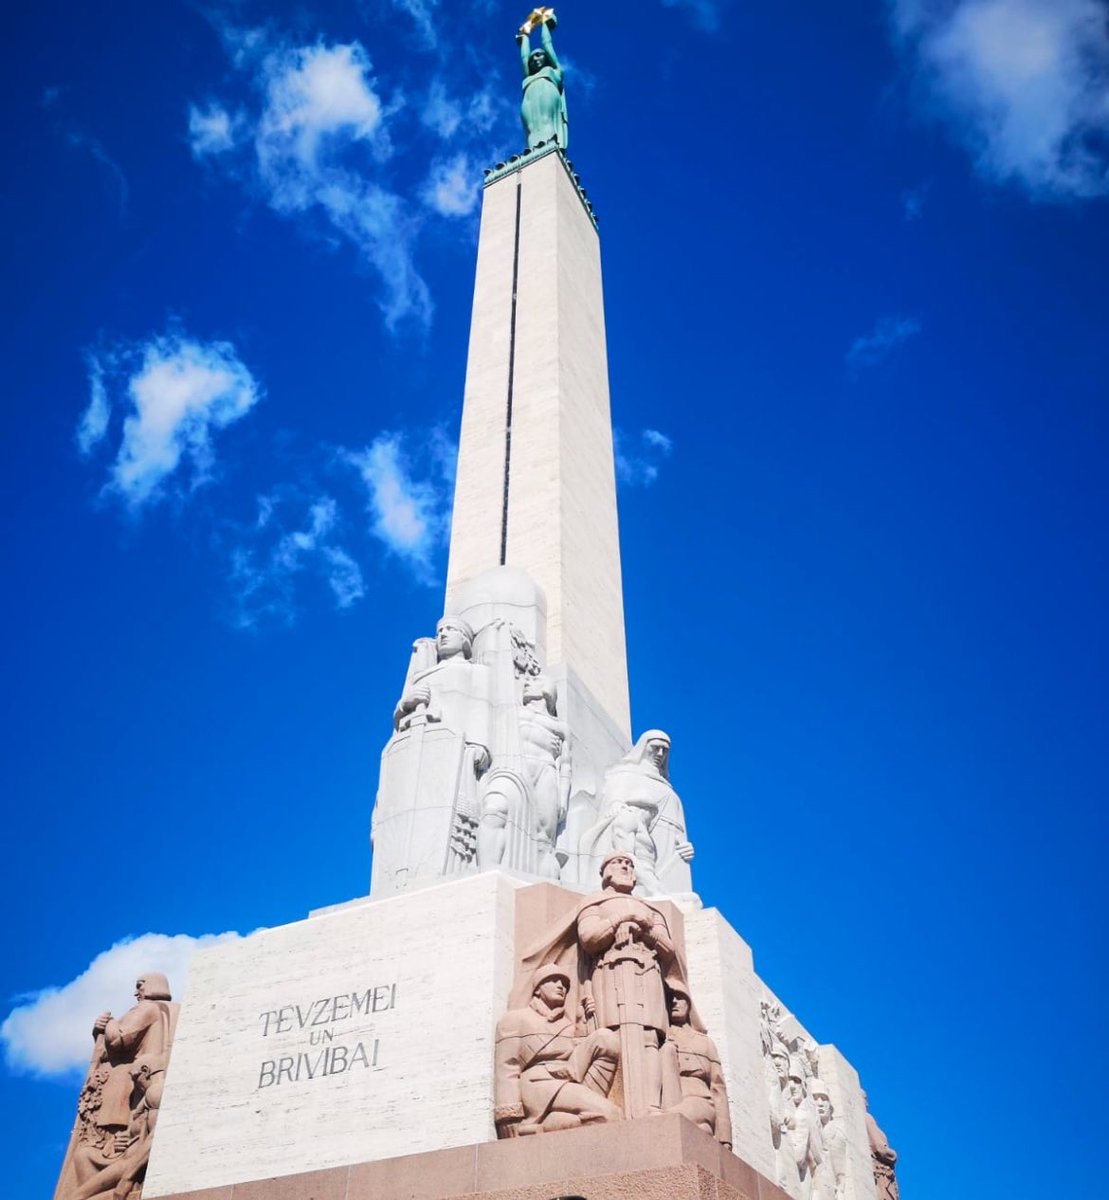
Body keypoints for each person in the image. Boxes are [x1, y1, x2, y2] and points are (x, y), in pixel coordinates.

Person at [57, 974, 178, 1200]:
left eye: (140, 986)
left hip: (124, 1108)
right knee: (84, 1157)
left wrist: (108, 1024)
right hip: (126, 1146)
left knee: (83, 1169)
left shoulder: (146, 1009)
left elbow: (119, 1040)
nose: (136, 993)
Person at [494, 963, 621, 1137]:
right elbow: (507, 1066)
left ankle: (543, 1127)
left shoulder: (568, 1025)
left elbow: (584, 1052)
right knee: (610, 1115)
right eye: (553, 980)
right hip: (537, 1084)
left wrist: (585, 1022)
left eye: (564, 984)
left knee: (605, 1037)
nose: (560, 986)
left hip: (566, 1081)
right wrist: (508, 1116)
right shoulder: (515, 1019)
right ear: (538, 989)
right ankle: (539, 1124)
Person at [579, 731, 694, 897]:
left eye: (665, 750)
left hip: (660, 867)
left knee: (692, 900)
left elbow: (675, 834)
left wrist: (683, 848)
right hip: (641, 885)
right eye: (655, 748)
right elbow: (628, 858)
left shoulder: (666, 788)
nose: (660, 754)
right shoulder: (626, 777)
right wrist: (658, 891)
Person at [661, 979, 732, 1148]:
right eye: (670, 997)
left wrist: (724, 1137)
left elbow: (718, 1088)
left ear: (689, 1004)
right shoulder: (660, 1035)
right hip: (668, 1099)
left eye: (679, 997)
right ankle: (702, 1131)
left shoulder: (705, 1043)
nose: (674, 1002)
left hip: (699, 1101)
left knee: (667, 1120)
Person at [517, 14, 568, 151]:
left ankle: (550, 146)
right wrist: (525, 36)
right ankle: (533, 151)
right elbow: (524, 58)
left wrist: (545, 24)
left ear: (546, 57)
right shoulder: (527, 77)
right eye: (532, 57)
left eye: (539, 55)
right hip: (529, 100)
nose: (534, 59)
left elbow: (547, 43)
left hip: (547, 94)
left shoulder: (555, 71)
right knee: (531, 127)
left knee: (546, 121)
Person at [810, 1079, 846, 1200]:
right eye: (815, 1098)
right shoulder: (809, 1124)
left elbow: (840, 1174)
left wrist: (840, 1191)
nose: (819, 1103)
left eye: (823, 1098)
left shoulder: (835, 1132)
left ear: (830, 1106)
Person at [864, 1092, 900, 1200]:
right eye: (864, 1098)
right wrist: (893, 1155)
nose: (867, 1103)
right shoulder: (867, 1118)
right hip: (881, 1175)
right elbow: (879, 1148)